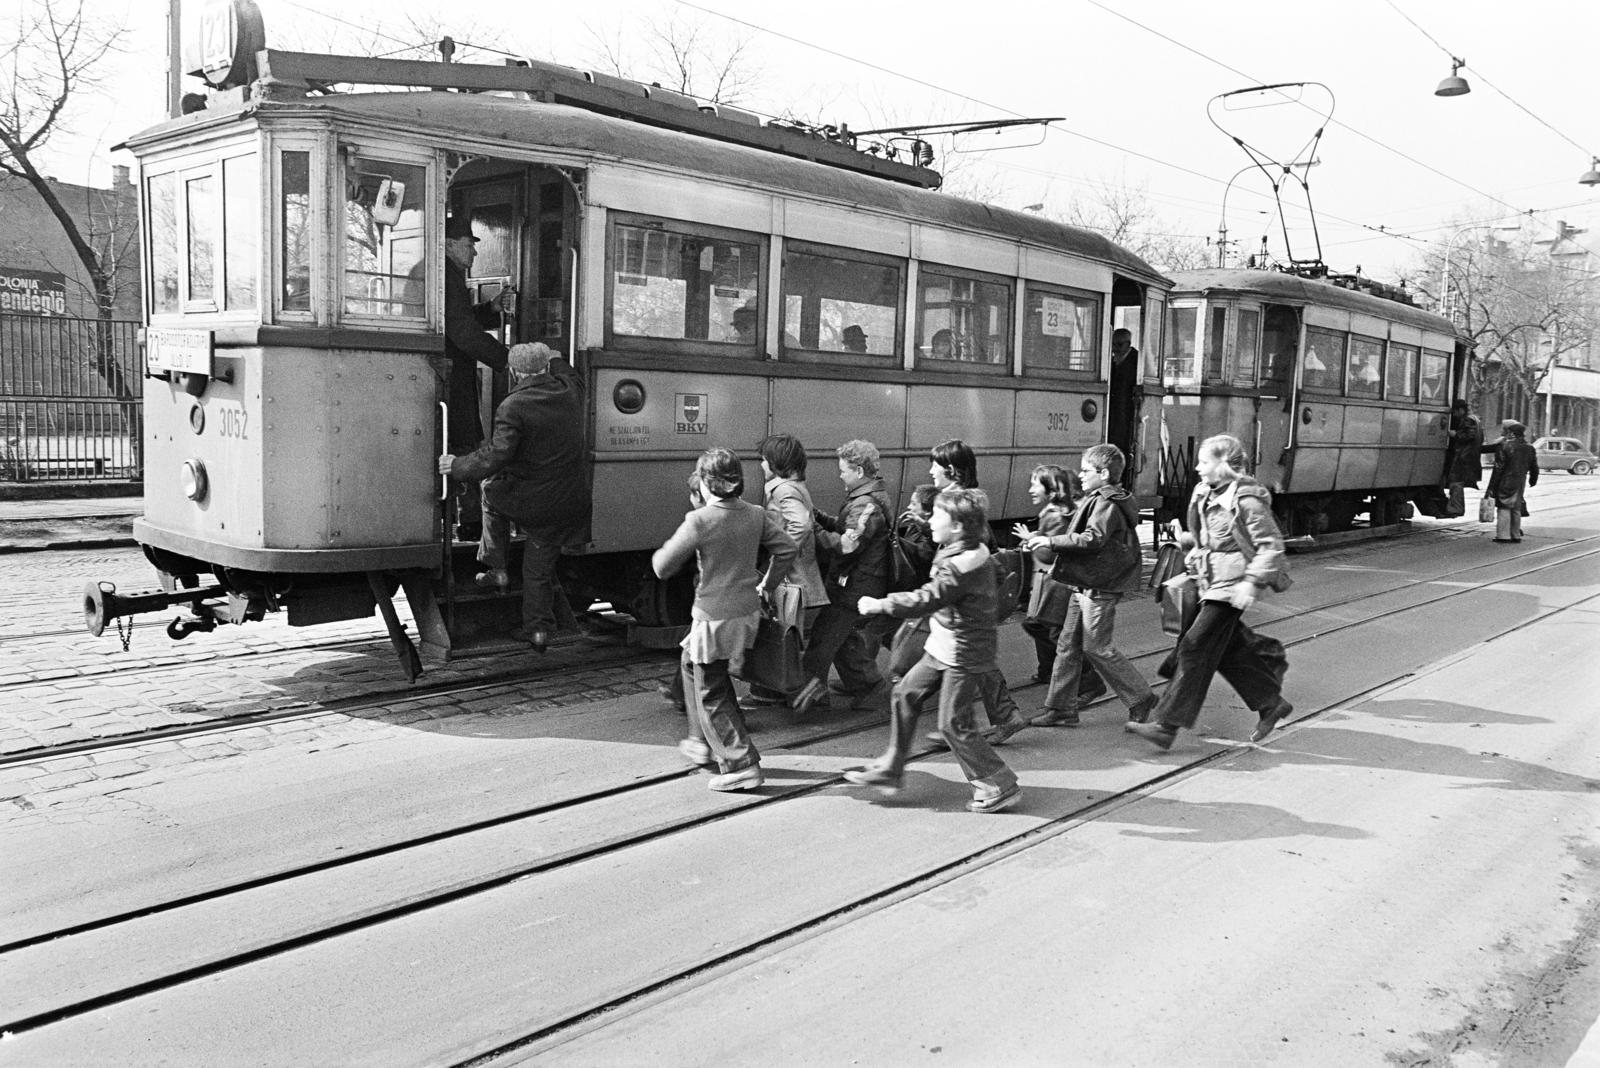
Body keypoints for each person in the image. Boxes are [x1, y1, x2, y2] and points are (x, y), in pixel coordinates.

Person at [846, 487, 1022, 814]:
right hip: (945, 644)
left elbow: (925, 599)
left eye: (937, 515)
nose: (930, 520)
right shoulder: (967, 549)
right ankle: (892, 768)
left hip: (963, 652)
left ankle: (999, 782)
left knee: (953, 724)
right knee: (905, 694)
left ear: (956, 526)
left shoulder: (959, 566)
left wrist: (879, 604)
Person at [1128, 434, 1294, 750]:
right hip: (1210, 580)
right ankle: (1271, 703)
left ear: (1225, 465)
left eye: (1205, 462)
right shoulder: (1207, 492)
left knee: (1193, 645)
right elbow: (1215, 538)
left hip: (1233, 584)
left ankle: (1166, 725)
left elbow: (1270, 546)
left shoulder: (1248, 501)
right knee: (1228, 649)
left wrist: (1251, 582)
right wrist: (1189, 541)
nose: (1197, 468)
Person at [652, 450, 796, 792]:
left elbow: (662, 566)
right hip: (746, 611)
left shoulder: (700, 519)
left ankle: (741, 762)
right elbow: (788, 549)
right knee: (691, 665)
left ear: (705, 483)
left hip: (713, 616)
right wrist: (766, 584)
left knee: (711, 688)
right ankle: (700, 739)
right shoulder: (756, 514)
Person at [438, 342, 590, 651]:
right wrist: (555, 358)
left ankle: (497, 568)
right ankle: (538, 630)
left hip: (533, 502)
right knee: (538, 570)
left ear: (514, 372)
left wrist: (456, 465)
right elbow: (571, 373)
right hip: (569, 501)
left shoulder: (513, 406)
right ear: (545, 367)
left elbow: (496, 456)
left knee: (490, 490)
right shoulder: (570, 391)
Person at [1023, 445, 1157, 729]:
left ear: (1104, 473)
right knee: (1067, 645)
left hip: (1099, 585)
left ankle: (1141, 697)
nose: (1081, 475)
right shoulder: (1099, 498)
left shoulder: (1107, 502)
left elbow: (1092, 538)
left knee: (1098, 647)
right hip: (1084, 582)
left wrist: (1050, 541)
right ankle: (1060, 708)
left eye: (1086, 470)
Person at [926, 439, 1029, 744]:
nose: (931, 470)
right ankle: (991, 717)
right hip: (962, 590)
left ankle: (967, 722)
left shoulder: (958, 504)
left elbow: (972, 546)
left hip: (964, 592)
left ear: (952, 471)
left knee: (964, 656)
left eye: (936, 465)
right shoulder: (959, 499)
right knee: (965, 657)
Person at [792, 440, 891, 716]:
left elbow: (849, 545)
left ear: (859, 471)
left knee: (824, 639)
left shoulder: (865, 505)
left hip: (856, 586)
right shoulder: (864, 499)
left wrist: (814, 532)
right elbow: (844, 527)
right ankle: (868, 685)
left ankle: (810, 696)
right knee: (843, 638)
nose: (840, 475)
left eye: (844, 470)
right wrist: (818, 518)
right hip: (857, 581)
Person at [743, 434, 832, 709]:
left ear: (775, 463)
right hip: (794, 577)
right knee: (782, 634)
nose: (761, 465)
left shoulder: (784, 491)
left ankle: (805, 690)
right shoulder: (793, 487)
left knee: (782, 635)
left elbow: (802, 525)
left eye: (764, 460)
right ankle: (769, 691)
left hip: (791, 578)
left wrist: (783, 553)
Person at [442, 214, 512, 540]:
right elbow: (462, 331)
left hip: (454, 376)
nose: (475, 253)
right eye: (469, 245)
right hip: (451, 378)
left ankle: (464, 521)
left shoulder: (449, 274)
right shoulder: (446, 275)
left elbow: (461, 318)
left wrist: (490, 309)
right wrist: (508, 359)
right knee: (461, 443)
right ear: (450, 245)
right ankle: (467, 524)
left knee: (461, 440)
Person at [1010, 465, 1076, 683]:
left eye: (1034, 485)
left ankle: (1079, 674)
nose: (1030, 489)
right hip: (1046, 581)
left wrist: (1031, 539)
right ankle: (1048, 670)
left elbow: (1050, 555)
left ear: (1051, 489)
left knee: (1043, 627)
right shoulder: (1054, 513)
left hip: (1054, 583)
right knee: (1042, 626)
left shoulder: (1055, 516)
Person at [1480, 419, 1538, 543]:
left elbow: (1498, 469)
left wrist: (1491, 487)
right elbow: (1534, 467)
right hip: (1520, 481)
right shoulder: (1529, 448)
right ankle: (1515, 534)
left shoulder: (1504, 446)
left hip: (1505, 481)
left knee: (1504, 507)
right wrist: (1533, 480)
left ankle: (1503, 535)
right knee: (1516, 508)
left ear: (1511, 433)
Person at [1106, 328, 1140, 487]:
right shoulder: (1110, 359)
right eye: (1113, 344)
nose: (1115, 348)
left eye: (1119, 344)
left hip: (1128, 414)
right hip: (1112, 412)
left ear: (1129, 343)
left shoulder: (1137, 361)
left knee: (1124, 447)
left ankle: (1124, 483)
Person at [1443, 399, 1485, 518]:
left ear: (1461, 410)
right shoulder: (1476, 419)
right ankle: (1456, 507)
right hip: (1469, 455)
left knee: (1455, 481)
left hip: (1464, 456)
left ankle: (1456, 508)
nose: (1454, 415)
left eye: (1455, 412)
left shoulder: (1468, 420)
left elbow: (1469, 436)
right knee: (1456, 481)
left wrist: (1455, 434)